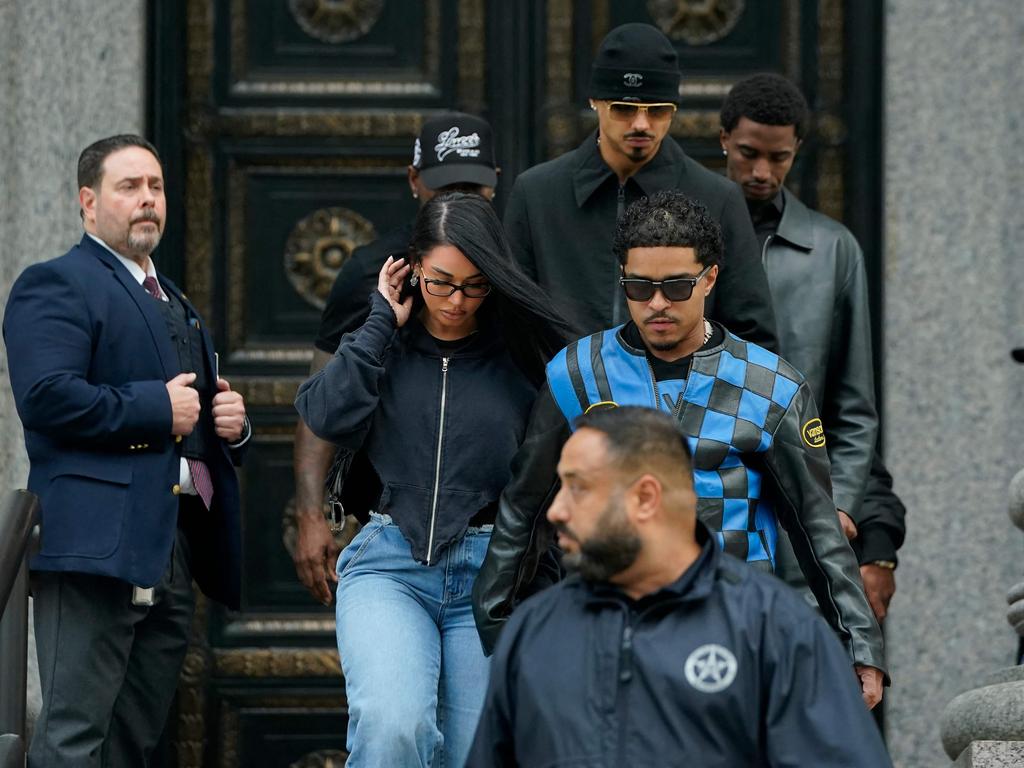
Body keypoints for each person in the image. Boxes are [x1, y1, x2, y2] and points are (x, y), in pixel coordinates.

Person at [473, 190, 887, 708]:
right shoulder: (577, 373)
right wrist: (497, 630)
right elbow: (525, 507)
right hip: (606, 631)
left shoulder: (771, 387)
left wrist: (859, 643)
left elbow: (816, 524)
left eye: (676, 285)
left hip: (734, 631)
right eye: (640, 287)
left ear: (710, 278)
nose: (658, 303)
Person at [295, 192, 571, 767]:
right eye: (441, 281)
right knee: (394, 728)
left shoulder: (524, 356)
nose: (456, 301)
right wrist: (378, 323)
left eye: (475, 285)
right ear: (413, 266)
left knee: (476, 752)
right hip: (388, 563)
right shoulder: (380, 343)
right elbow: (323, 414)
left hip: (490, 574)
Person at [4, 134, 250, 767]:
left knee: (134, 743)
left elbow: (190, 423)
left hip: (172, 548)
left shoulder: (177, 301)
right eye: (130, 187)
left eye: (157, 187)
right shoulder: (55, 284)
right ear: (89, 203)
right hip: (93, 548)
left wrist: (231, 428)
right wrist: (155, 408)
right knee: (73, 736)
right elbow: (48, 399)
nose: (148, 200)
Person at [467, 407, 893, 766]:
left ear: (646, 497)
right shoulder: (535, 632)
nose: (557, 510)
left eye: (578, 488)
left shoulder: (773, 628)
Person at [292, 112, 499, 606]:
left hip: (489, 541)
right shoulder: (370, 272)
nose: (456, 203)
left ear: (493, 190)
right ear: (414, 181)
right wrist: (309, 514)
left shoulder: (509, 271)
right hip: (386, 535)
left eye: (471, 188)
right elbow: (323, 403)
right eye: (444, 187)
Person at [720, 73, 907, 621]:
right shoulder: (688, 235)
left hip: (804, 507)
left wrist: (842, 503)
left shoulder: (834, 250)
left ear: (797, 149)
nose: (762, 172)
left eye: (778, 158)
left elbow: (854, 404)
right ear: (724, 137)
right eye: (750, 153)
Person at [502, 22, 778, 349]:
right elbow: (511, 324)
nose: (641, 124)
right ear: (595, 101)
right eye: (624, 108)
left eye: (658, 111)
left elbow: (752, 337)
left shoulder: (718, 198)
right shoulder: (537, 194)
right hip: (564, 395)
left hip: (682, 398)